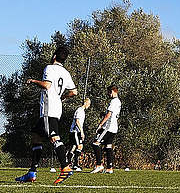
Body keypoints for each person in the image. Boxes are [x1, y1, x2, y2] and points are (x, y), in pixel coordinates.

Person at [15, 47, 77, 183]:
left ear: (54, 56)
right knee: (36, 136)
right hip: (56, 108)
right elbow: (74, 92)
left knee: (54, 137)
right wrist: (63, 97)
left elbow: (47, 85)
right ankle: (32, 172)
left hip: (49, 109)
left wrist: (33, 81)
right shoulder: (66, 73)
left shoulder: (49, 68)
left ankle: (65, 166)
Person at [90, 85, 121, 174]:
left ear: (112, 91)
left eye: (108, 92)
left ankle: (99, 165)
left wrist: (100, 124)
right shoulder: (118, 102)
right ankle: (109, 168)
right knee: (108, 146)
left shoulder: (113, 102)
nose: (108, 94)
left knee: (95, 143)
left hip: (108, 127)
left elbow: (109, 115)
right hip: (114, 128)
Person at [63, 97, 91, 173]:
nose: (89, 105)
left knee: (74, 147)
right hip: (75, 131)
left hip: (76, 132)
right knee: (79, 146)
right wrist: (82, 132)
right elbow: (77, 121)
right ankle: (74, 164)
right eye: (88, 104)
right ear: (85, 103)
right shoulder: (80, 110)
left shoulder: (82, 111)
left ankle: (68, 163)